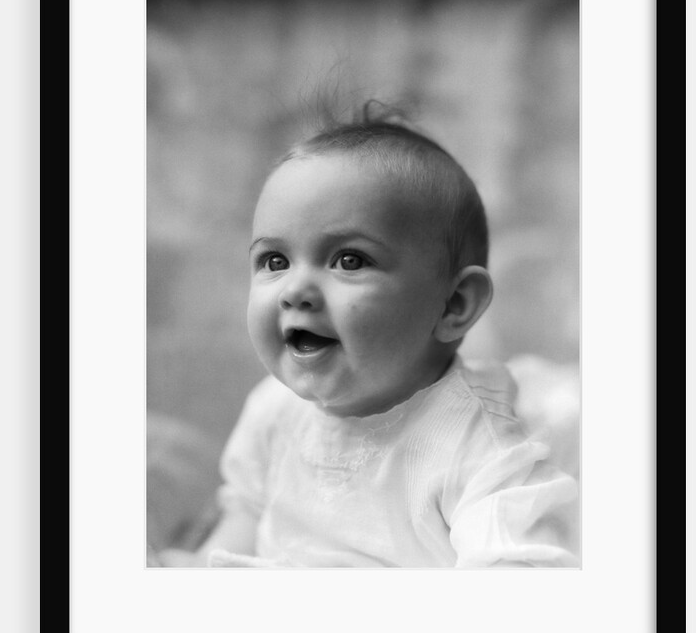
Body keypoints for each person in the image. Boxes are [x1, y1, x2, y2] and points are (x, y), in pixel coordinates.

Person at [158, 105, 579, 568]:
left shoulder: (480, 447)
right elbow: (249, 515)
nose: (295, 290)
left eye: (349, 260)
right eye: (275, 261)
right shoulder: (274, 411)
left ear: (453, 304)